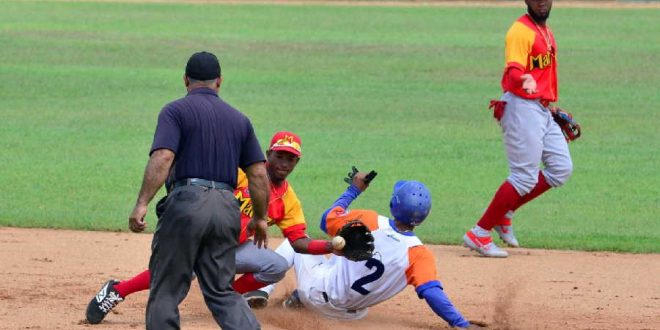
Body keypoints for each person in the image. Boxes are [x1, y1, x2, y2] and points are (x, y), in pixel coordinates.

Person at [86, 131, 343, 324]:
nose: (284, 163)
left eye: (291, 159)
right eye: (280, 156)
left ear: (296, 163)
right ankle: (117, 290)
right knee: (177, 272)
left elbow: (298, 241)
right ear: (268, 154)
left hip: (232, 247)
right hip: (202, 236)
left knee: (276, 265)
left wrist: (331, 246)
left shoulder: (288, 200)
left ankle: (224, 298)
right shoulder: (242, 173)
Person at [122, 51, 270, 330]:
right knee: (222, 291)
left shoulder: (174, 111)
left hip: (186, 204)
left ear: (186, 80)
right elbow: (259, 173)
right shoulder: (240, 120)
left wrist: (142, 202)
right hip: (227, 208)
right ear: (220, 82)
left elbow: (164, 156)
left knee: (166, 289)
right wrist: (260, 218)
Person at [255, 171, 477, 329]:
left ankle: (262, 291)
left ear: (393, 204)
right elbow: (432, 292)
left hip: (317, 294)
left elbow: (326, 221)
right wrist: (461, 324)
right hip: (349, 316)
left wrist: (353, 189)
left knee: (297, 243)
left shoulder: (369, 220)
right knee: (339, 261)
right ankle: (299, 299)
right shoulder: (419, 254)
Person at [462, 0, 572, 258]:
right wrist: (524, 78)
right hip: (522, 107)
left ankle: (506, 211)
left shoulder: (545, 30)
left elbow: (542, 74)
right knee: (524, 177)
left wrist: (549, 106)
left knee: (561, 168)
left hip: (541, 109)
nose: (541, 2)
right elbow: (513, 72)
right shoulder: (519, 32)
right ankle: (479, 232)